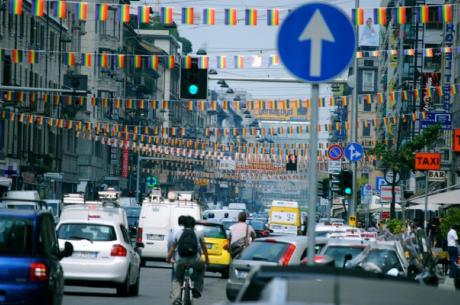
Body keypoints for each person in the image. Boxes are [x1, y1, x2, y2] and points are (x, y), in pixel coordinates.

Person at [167, 216, 209, 305]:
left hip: (180, 261)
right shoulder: (199, 233)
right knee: (202, 268)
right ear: (194, 225)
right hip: (195, 261)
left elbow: (172, 248)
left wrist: (168, 258)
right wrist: (207, 259)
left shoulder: (179, 233)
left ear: (184, 225)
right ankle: (197, 289)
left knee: (177, 279)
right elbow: (204, 248)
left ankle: (176, 299)